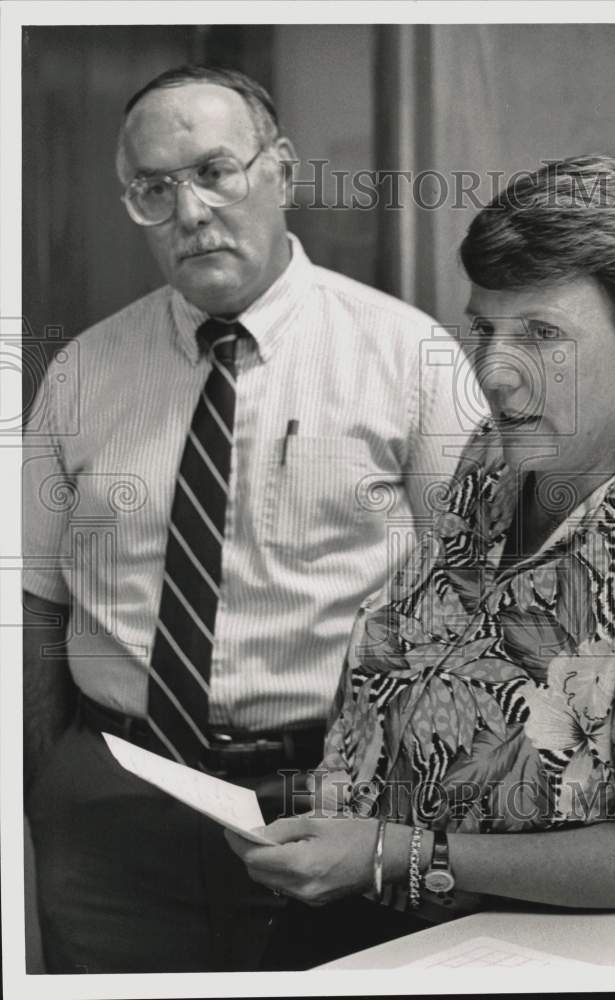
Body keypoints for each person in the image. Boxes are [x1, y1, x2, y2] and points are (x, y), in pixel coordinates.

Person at [227, 155, 615, 958]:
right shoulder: (501, 454)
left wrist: (391, 854)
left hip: (523, 957)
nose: (493, 373)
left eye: (541, 334)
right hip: (370, 925)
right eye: (485, 329)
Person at [22, 65, 464, 973]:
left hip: (333, 799)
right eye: (154, 188)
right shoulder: (81, 374)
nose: (189, 210)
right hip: (117, 806)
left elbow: (475, 610)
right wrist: (34, 790)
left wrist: (402, 811)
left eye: (215, 170)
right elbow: (32, 603)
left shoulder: (410, 357)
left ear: (282, 170)